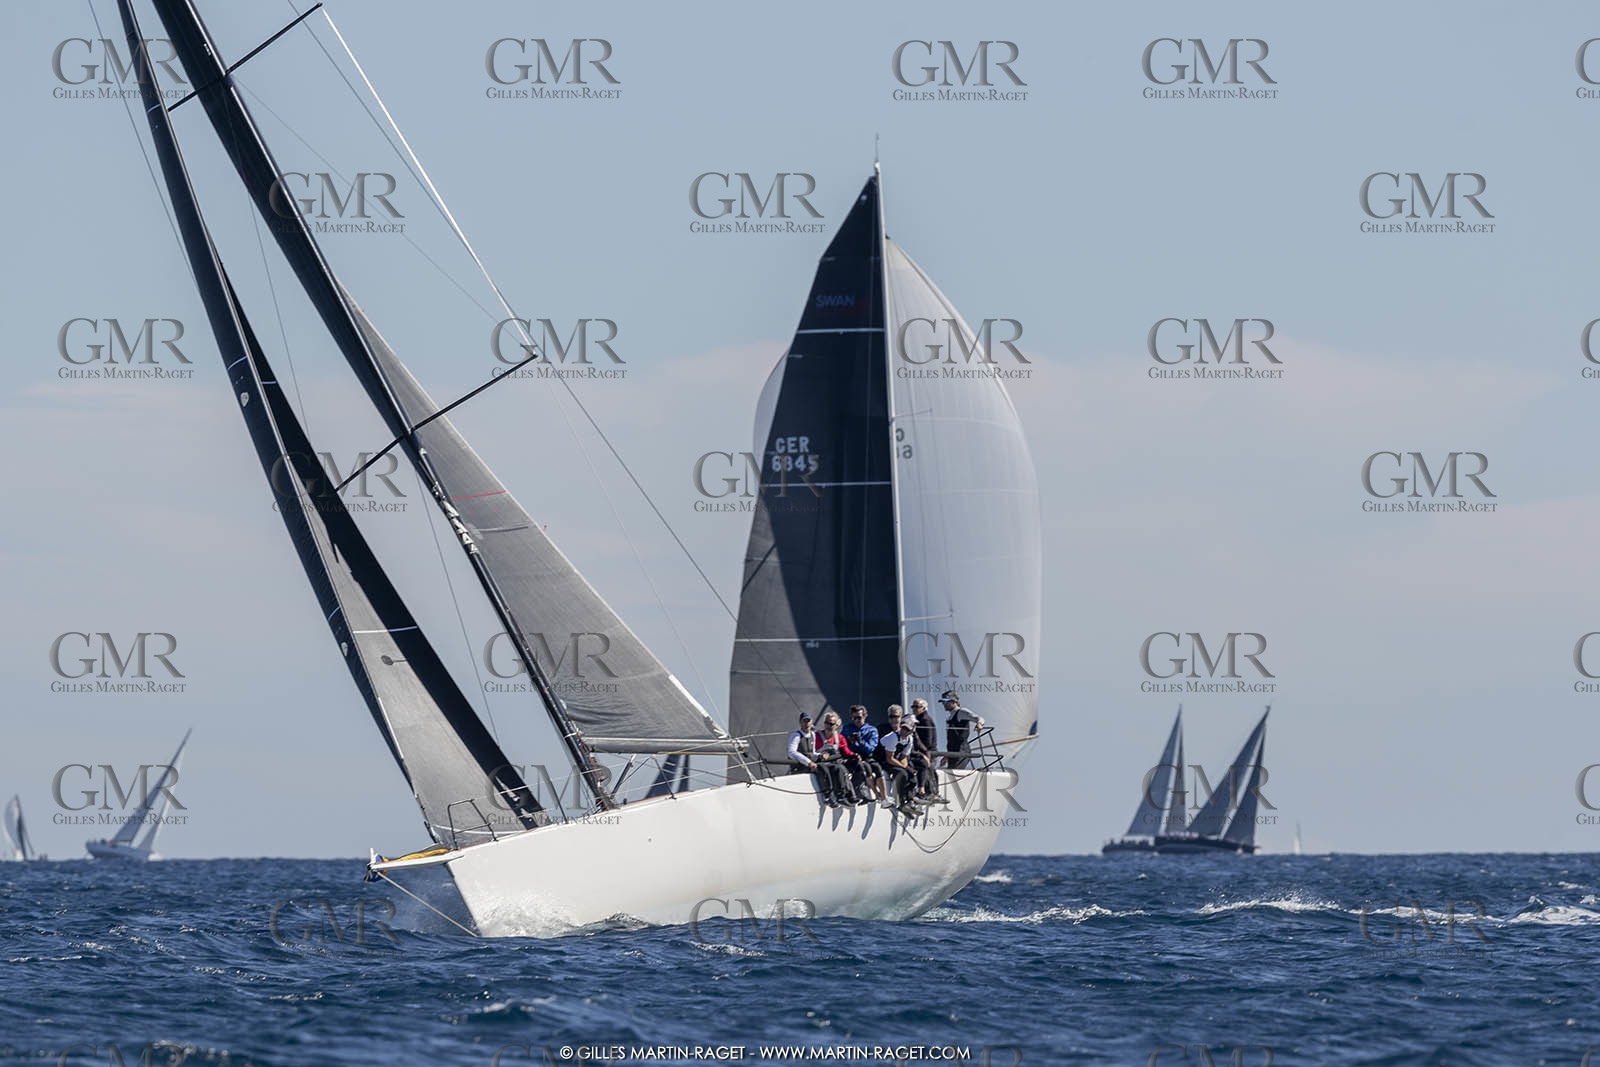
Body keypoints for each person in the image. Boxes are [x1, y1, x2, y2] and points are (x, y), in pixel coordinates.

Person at [788, 712, 846, 807]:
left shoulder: (813, 735)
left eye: (808, 721)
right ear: (800, 723)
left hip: (812, 763)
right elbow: (791, 752)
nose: (806, 724)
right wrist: (808, 762)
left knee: (836, 767)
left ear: (811, 722)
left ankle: (840, 795)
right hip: (801, 766)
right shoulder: (796, 736)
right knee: (823, 768)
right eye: (804, 721)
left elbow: (813, 752)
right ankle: (827, 795)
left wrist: (821, 755)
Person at [815, 711, 865, 806]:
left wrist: (854, 755)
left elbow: (845, 751)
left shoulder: (839, 737)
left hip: (836, 760)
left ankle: (856, 790)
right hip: (824, 762)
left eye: (831, 724)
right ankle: (841, 795)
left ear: (837, 725)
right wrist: (821, 755)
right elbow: (813, 751)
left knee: (859, 765)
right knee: (840, 769)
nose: (829, 726)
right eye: (827, 723)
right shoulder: (817, 736)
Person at [879, 712, 923, 817]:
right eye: (903, 728)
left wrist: (906, 767)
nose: (904, 731)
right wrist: (904, 768)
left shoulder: (909, 739)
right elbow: (889, 758)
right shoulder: (893, 737)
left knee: (912, 774)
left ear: (912, 730)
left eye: (907, 729)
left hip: (894, 760)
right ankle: (901, 802)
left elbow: (904, 757)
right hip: (883, 760)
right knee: (902, 774)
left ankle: (909, 800)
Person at [841, 705, 886, 803]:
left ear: (865, 716)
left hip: (866, 756)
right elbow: (842, 744)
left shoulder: (872, 730)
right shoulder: (847, 728)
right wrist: (849, 741)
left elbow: (870, 749)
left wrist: (860, 742)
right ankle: (874, 794)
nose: (856, 720)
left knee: (877, 768)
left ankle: (883, 797)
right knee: (866, 767)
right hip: (853, 757)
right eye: (854, 718)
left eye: (859, 718)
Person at [942, 690, 985, 770]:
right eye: (943, 702)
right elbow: (951, 739)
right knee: (949, 775)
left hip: (961, 751)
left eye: (945, 702)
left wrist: (979, 724)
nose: (943, 705)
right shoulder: (949, 718)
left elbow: (979, 718)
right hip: (952, 753)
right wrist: (946, 756)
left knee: (953, 774)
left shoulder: (961, 712)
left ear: (953, 701)